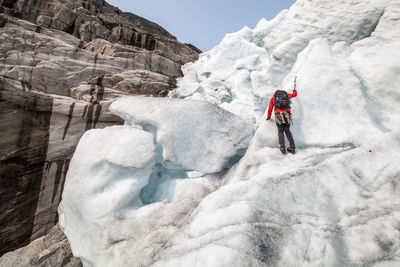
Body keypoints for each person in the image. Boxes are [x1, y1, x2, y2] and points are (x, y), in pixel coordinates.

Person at [266, 88, 297, 154]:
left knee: (280, 131)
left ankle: (282, 147)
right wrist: (294, 91)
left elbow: (270, 109)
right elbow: (294, 95)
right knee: (287, 131)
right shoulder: (286, 95)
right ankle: (292, 147)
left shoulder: (273, 98)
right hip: (287, 114)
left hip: (279, 115)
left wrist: (268, 117)